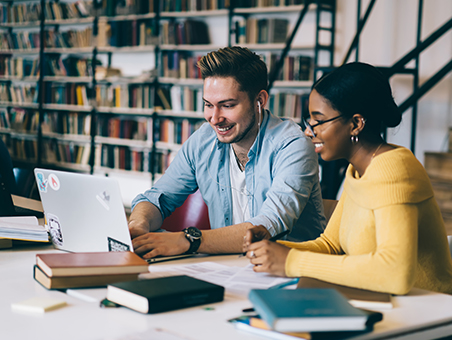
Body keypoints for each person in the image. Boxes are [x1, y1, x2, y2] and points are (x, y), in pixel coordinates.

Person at [244, 62, 452, 298]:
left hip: (438, 312)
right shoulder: (359, 169)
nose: (309, 131)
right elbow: (330, 246)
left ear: (356, 124)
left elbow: (396, 273)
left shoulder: (395, 169)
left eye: (318, 120)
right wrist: (273, 247)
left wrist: (291, 261)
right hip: (388, 305)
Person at [128, 46, 326, 259]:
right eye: (208, 105)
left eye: (227, 105)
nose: (214, 118)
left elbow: (268, 225)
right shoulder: (203, 141)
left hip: (288, 274)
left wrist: (189, 240)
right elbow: (158, 198)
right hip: (225, 267)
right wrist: (139, 224)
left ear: (259, 100)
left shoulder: (293, 145)